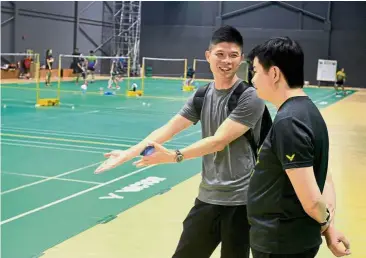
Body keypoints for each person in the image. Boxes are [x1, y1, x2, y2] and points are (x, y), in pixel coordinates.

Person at [95, 25, 268, 258]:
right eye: (220, 54)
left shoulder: (250, 97)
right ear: (208, 56)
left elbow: (218, 141)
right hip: (207, 198)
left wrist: (174, 156)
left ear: (241, 59)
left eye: (233, 55)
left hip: (241, 203)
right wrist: (129, 153)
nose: (226, 60)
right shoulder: (201, 95)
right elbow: (169, 128)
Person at [246, 37, 351, 258]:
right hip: (292, 241)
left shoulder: (289, 121)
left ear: (274, 74)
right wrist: (328, 227)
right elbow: (324, 176)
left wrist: (326, 224)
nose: (253, 79)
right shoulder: (308, 111)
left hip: (280, 244)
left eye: (255, 71)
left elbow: (312, 201)